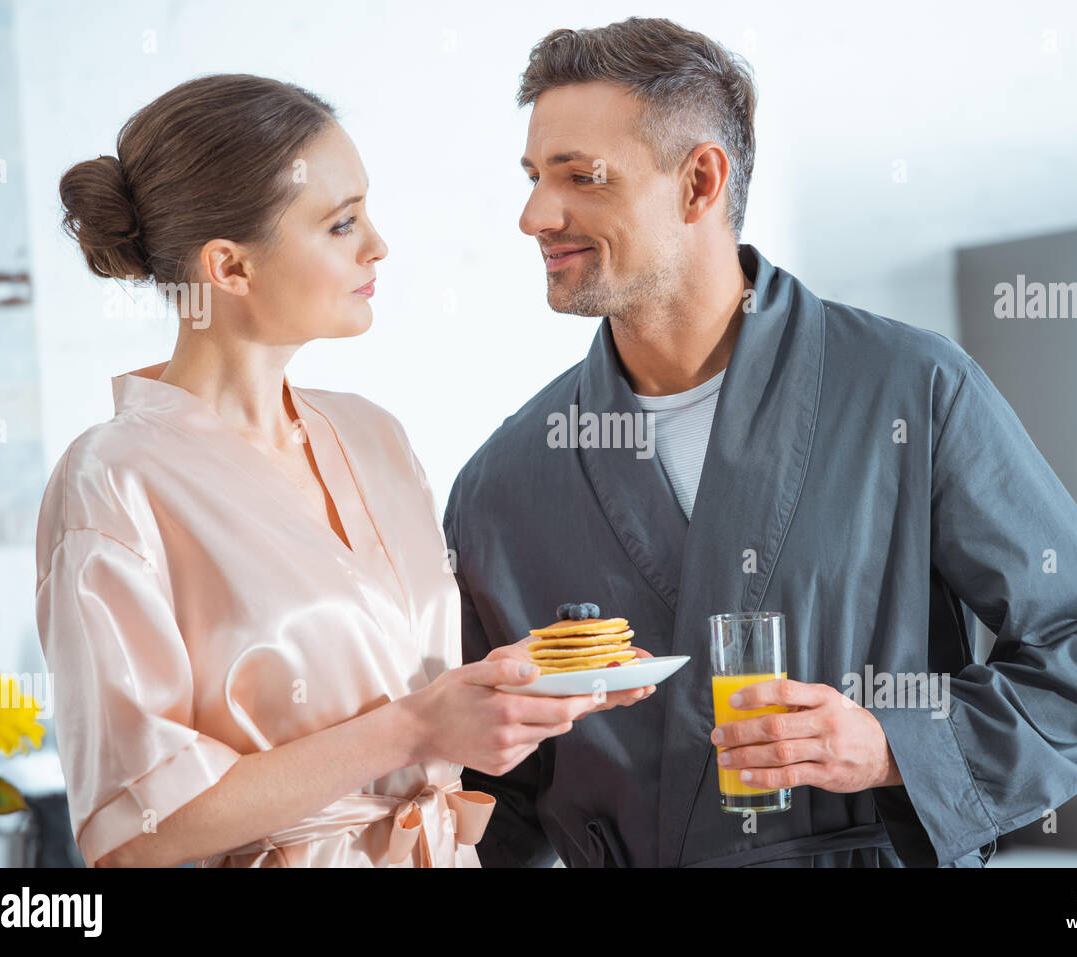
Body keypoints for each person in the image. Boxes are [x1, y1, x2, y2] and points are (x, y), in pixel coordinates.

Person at [443, 18, 1077, 867]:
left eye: (580, 177)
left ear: (698, 183)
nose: (534, 214)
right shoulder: (505, 482)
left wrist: (895, 747)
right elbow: (491, 795)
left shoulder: (910, 391)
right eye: (533, 176)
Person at [35, 73, 653, 869]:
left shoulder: (374, 436)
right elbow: (130, 830)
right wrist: (417, 729)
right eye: (341, 224)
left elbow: (409, 693)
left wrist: (521, 682)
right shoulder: (112, 482)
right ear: (229, 269)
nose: (377, 246)